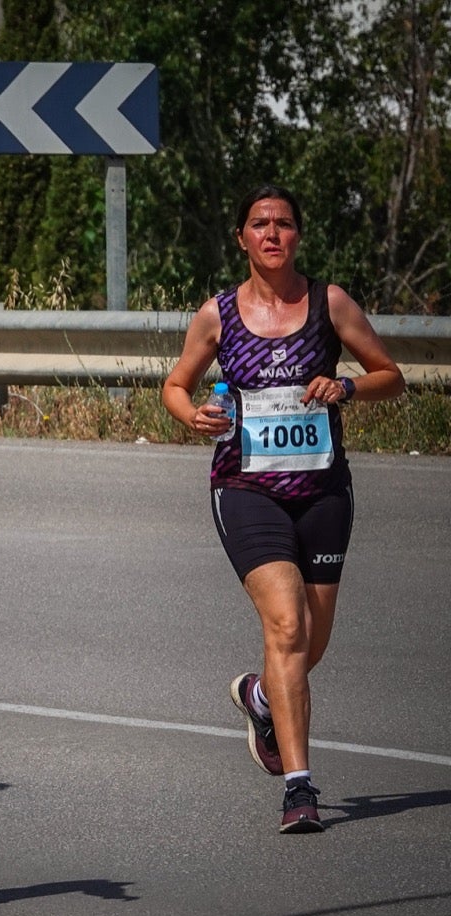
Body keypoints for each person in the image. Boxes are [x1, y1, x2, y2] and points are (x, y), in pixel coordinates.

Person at [162, 184, 403, 834]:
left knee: (311, 643)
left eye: (285, 223)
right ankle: (300, 789)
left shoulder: (330, 303)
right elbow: (177, 384)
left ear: (299, 236)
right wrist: (192, 416)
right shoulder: (218, 315)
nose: (272, 233)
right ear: (241, 237)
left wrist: (346, 385)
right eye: (259, 224)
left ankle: (260, 696)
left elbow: (391, 374)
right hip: (247, 489)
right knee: (288, 629)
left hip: (323, 491)